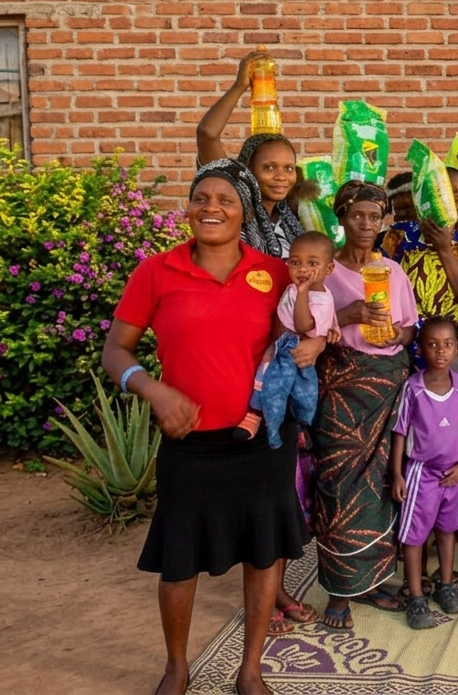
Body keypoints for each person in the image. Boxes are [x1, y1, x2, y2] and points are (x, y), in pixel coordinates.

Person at [102, 160, 308, 695]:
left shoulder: (276, 272)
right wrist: (152, 389)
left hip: (262, 437)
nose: (211, 207)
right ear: (188, 208)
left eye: (226, 200)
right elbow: (115, 350)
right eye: (201, 198)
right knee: (180, 558)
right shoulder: (156, 271)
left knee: (265, 551)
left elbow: (306, 330)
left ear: (244, 213)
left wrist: (321, 338)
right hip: (187, 443)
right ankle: (176, 665)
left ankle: (250, 669)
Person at [314, 180, 419, 629]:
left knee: (382, 484)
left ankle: (373, 579)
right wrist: (347, 315)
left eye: (375, 217)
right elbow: (303, 329)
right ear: (341, 217)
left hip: (387, 385)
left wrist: (398, 335)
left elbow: (410, 328)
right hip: (342, 389)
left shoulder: (393, 272)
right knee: (340, 485)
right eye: (357, 215)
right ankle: (339, 591)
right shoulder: (324, 272)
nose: (366, 224)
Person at [391, 318, 458, 630]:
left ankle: (445, 585)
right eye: (432, 344)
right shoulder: (413, 388)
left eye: (448, 344)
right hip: (421, 474)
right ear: (421, 348)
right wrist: (398, 474)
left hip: (452, 475)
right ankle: (415, 596)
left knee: (447, 529)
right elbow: (400, 432)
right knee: (414, 536)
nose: (441, 350)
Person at [195, 52, 304, 259]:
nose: (281, 176)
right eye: (269, 167)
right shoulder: (236, 207)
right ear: (248, 170)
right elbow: (207, 134)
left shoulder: (292, 218)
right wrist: (239, 86)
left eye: (288, 168)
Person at [234, 231, 338, 447]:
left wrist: (302, 292)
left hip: (293, 350)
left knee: (274, 387)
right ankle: (292, 427)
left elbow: (303, 325)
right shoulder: (312, 290)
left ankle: (262, 422)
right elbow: (331, 317)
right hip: (282, 345)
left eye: (312, 263)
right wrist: (334, 327)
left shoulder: (314, 297)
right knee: (287, 389)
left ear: (329, 269)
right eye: (295, 262)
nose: (302, 269)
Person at [380, 171, 458, 332]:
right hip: (406, 330)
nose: (405, 216)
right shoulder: (395, 237)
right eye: (398, 210)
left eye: (411, 208)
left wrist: (443, 248)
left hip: (451, 336)